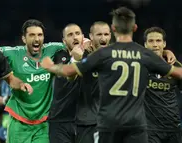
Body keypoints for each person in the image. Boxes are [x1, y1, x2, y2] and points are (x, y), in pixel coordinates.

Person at [40, 7, 182, 143]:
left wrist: (50, 66)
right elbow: (177, 72)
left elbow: (68, 72)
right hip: (135, 124)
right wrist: (166, 53)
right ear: (134, 28)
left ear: (113, 29)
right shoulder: (143, 54)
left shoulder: (103, 54)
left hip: (108, 122)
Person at [143, 26, 182, 143]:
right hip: (149, 130)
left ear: (164, 43)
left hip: (173, 128)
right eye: (151, 41)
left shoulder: (176, 66)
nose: (155, 45)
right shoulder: (139, 66)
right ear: (145, 44)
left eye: (158, 41)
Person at [48, 23, 84, 143]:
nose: (75, 37)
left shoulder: (92, 56)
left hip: (84, 121)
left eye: (78, 34)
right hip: (59, 120)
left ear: (83, 37)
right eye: (70, 35)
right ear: (64, 41)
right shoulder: (58, 57)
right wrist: (75, 59)